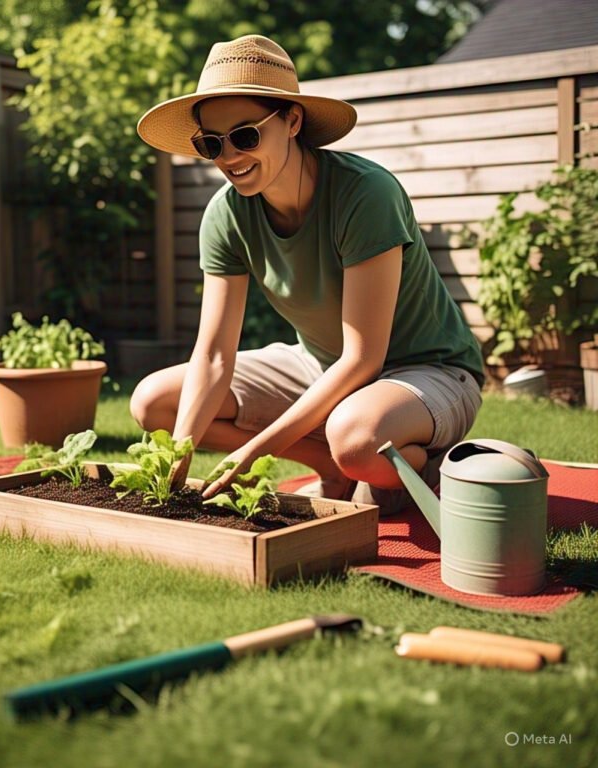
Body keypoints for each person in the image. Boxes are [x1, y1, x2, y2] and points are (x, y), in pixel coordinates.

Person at [131, 34, 484, 512]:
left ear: (292, 120)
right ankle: (335, 465)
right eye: (211, 143)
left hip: (427, 371)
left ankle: (442, 472)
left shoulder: (365, 196)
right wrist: (178, 459)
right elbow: (214, 355)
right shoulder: (226, 216)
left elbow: (364, 359)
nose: (230, 156)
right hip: (318, 363)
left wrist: (259, 450)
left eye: (245, 135)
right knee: (156, 403)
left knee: (357, 438)